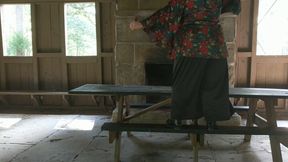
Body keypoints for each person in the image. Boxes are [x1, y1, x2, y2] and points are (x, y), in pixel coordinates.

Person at [129, 0, 241, 128]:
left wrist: (141, 24)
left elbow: (168, 14)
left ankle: (179, 120)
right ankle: (212, 121)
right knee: (214, 85)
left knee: (184, 84)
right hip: (216, 45)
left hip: (189, 46)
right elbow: (234, 5)